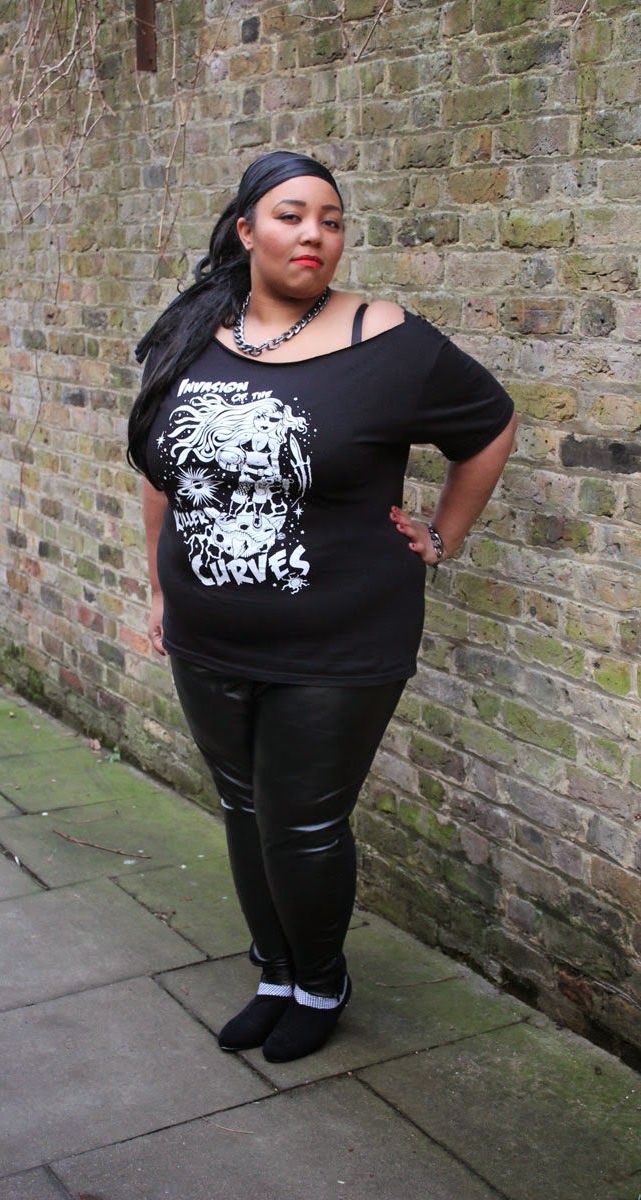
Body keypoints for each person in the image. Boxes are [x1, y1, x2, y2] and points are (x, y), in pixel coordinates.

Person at [128, 150, 516, 1064]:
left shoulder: (387, 339)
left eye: (331, 221)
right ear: (245, 230)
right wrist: (158, 586)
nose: (315, 235)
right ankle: (274, 971)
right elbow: (161, 471)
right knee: (242, 807)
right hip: (206, 634)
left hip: (340, 642)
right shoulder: (194, 332)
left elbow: (491, 423)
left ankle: (320, 980)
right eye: (293, 215)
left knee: (302, 822)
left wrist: (443, 535)